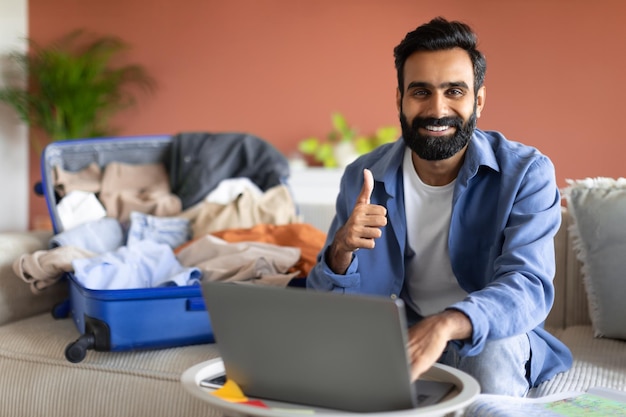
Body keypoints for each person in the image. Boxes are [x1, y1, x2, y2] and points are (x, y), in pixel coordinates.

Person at [306, 17, 572, 396]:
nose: (437, 109)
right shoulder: (362, 177)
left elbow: (528, 286)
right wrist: (340, 253)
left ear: (478, 99)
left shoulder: (527, 174)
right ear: (399, 99)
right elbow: (324, 305)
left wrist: (447, 323)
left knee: (491, 352)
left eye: (454, 91)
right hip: (398, 338)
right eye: (420, 92)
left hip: (485, 337)